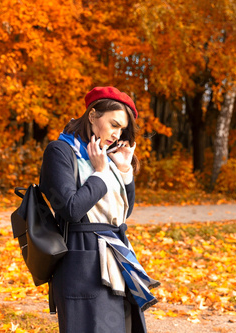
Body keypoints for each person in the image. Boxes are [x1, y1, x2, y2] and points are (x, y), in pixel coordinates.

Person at [39, 86, 159, 333]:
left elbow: (123, 214)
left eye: (122, 129)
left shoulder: (104, 156)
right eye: (114, 124)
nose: (117, 134)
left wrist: (124, 170)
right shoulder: (60, 152)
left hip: (116, 259)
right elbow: (71, 209)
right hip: (82, 264)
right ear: (93, 116)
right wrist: (101, 173)